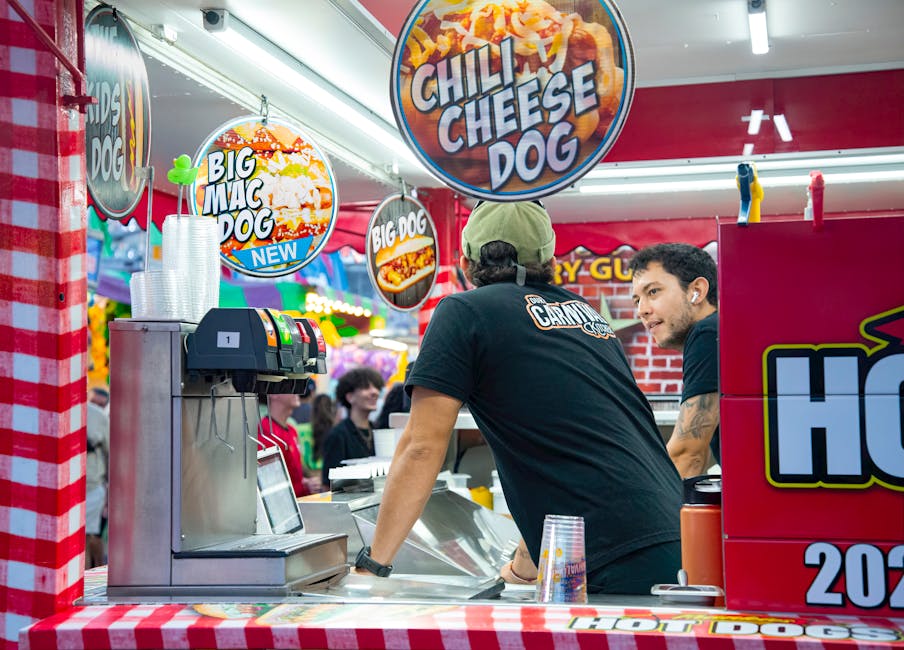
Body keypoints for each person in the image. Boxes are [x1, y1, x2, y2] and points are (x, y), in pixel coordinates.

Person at [359, 201, 682, 594]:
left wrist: (372, 567)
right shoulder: (586, 316)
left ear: (465, 264)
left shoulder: (464, 311)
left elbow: (421, 446)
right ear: (550, 261)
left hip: (610, 555)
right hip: (675, 534)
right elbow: (570, 447)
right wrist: (525, 567)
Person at [629, 243, 720, 478]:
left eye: (652, 292)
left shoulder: (708, 333)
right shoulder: (719, 330)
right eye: (637, 300)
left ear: (696, 291)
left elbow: (688, 455)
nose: (641, 310)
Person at [320, 367, 385, 488]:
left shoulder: (378, 431)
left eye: (377, 387)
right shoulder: (338, 435)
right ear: (350, 397)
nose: (375, 392)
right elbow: (327, 484)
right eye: (366, 388)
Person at [258, 392, 309, 498]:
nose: (297, 391)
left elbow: (294, 474)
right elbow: (270, 483)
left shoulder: (292, 430)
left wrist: (306, 483)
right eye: (290, 385)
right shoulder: (265, 432)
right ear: (273, 393)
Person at [86, 387, 110, 568]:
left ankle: (96, 571)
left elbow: (110, 453)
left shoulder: (101, 418)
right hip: (79, 486)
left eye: (101, 405)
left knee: (89, 536)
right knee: (87, 537)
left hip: (93, 485)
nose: (97, 407)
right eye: (95, 403)